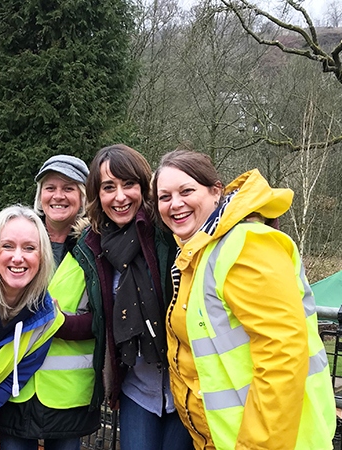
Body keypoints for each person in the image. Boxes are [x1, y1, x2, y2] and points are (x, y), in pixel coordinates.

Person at [152, 149, 336, 449]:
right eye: (164, 196)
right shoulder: (198, 254)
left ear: (215, 192)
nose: (175, 204)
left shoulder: (245, 245)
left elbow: (282, 353)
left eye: (187, 191)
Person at [73, 144, 193, 450]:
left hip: (187, 385)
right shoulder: (92, 247)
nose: (120, 197)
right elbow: (96, 318)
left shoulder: (170, 233)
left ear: (144, 186)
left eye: (129, 184)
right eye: (109, 187)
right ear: (97, 194)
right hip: (136, 388)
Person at [0, 155, 101, 450]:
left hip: (68, 393)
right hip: (14, 386)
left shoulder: (97, 247)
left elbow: (104, 319)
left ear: (83, 195)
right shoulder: (16, 239)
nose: (58, 195)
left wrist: (58, 322)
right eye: (50, 187)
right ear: (40, 195)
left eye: (68, 188)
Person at [0, 205, 65, 447]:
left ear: (42, 257)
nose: (18, 257)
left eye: (29, 248)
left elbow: (10, 381)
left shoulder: (46, 320)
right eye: (7, 246)